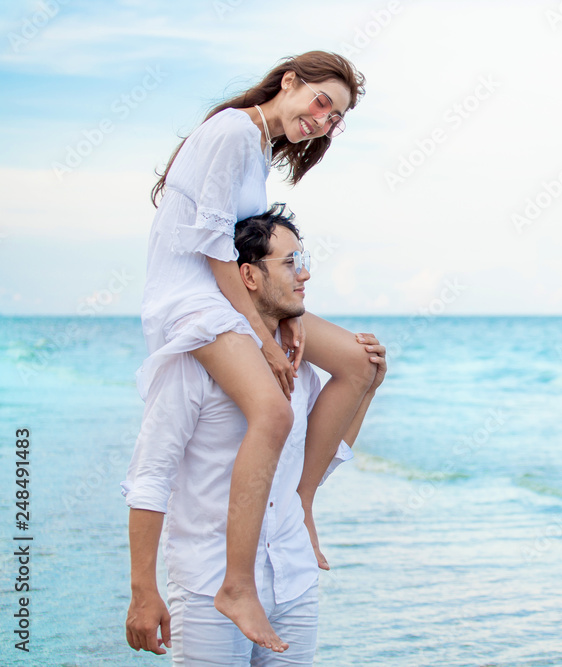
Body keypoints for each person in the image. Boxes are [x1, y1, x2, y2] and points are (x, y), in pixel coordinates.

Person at [139, 51, 374, 650]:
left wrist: (287, 317)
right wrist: (263, 335)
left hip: (234, 293)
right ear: (290, 82)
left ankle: (299, 505)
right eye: (322, 102)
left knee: (359, 363)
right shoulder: (233, 131)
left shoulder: (255, 149)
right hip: (195, 301)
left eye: (336, 118)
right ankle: (236, 585)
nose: (324, 120)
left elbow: (252, 253)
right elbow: (218, 252)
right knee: (273, 411)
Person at [124, 205, 386, 663]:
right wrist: (143, 591)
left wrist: (368, 387)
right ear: (247, 276)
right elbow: (150, 478)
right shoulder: (191, 366)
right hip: (208, 586)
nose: (303, 276)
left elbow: (310, 467)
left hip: (293, 578)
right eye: (289, 264)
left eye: (303, 261)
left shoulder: (299, 369)